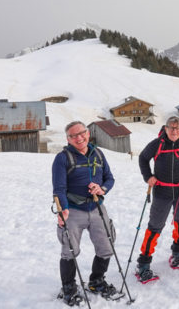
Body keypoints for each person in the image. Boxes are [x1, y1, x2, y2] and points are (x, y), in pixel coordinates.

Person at [52, 121, 118, 305]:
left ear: (88, 133)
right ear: (68, 139)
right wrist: (62, 209)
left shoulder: (98, 153)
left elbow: (109, 178)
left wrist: (102, 188)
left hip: (97, 207)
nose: (79, 138)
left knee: (107, 246)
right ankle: (69, 288)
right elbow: (59, 188)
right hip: (73, 210)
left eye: (81, 133)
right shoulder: (62, 158)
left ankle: (97, 281)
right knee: (70, 250)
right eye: (73, 136)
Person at [136, 116, 179, 282]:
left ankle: (178, 253)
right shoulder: (158, 143)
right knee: (155, 225)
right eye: (171, 128)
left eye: (177, 128)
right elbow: (143, 158)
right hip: (162, 190)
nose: (174, 131)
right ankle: (143, 263)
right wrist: (148, 177)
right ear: (165, 129)